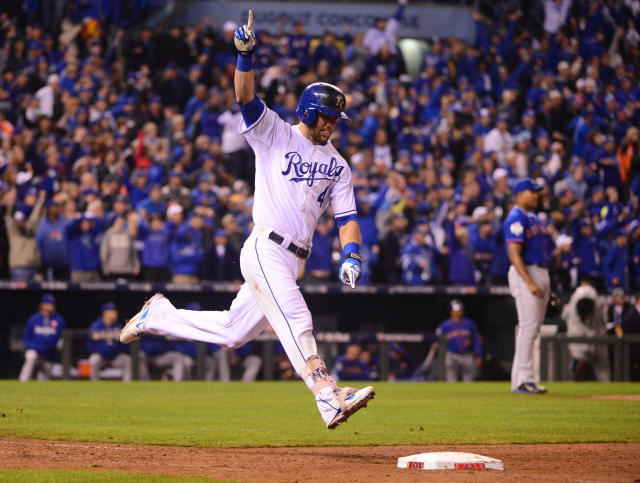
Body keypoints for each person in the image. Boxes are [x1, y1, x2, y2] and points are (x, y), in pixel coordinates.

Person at [121, 10, 374, 430]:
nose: (331, 124)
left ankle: (158, 315)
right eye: (326, 116)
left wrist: (352, 254)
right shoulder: (277, 134)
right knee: (299, 320)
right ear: (309, 112)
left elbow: (346, 216)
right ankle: (328, 395)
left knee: (232, 331)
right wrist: (245, 57)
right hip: (266, 247)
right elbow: (245, 99)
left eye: (336, 119)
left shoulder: (339, 165)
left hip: (296, 259)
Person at [504, 178, 550, 394]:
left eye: (537, 192)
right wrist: (530, 282)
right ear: (520, 194)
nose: (536, 195)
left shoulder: (532, 218)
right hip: (526, 272)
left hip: (539, 269)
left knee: (533, 329)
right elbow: (514, 253)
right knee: (528, 327)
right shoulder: (516, 217)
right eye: (532, 192)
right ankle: (522, 380)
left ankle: (523, 379)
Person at [562, 283, 609, 381]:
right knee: (601, 371)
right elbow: (605, 319)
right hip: (596, 340)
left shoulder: (573, 299)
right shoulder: (597, 300)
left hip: (579, 342)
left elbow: (564, 316)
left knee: (576, 372)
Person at [19, 293, 65, 381]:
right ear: (42, 305)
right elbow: (26, 339)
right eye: (49, 303)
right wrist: (38, 348)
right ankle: (23, 382)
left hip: (49, 355)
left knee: (43, 380)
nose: (52, 306)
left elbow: (60, 339)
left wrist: (51, 349)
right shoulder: (33, 319)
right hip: (36, 353)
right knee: (31, 356)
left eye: (52, 304)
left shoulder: (59, 320)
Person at [435, 299, 483, 382]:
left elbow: (477, 341)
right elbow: (436, 338)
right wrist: (436, 343)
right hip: (451, 355)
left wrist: (479, 356)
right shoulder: (445, 325)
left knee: (469, 382)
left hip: (467, 355)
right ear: (451, 311)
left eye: (460, 310)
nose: (459, 312)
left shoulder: (469, 324)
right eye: (456, 310)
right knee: (451, 382)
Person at [86, 302, 132, 381]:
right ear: (105, 313)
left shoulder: (119, 327)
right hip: (101, 356)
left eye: (115, 311)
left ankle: (127, 387)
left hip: (115, 356)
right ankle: (94, 386)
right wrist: (102, 351)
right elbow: (89, 344)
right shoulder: (96, 326)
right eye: (112, 311)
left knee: (127, 360)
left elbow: (125, 344)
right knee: (93, 360)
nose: (115, 313)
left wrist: (115, 351)